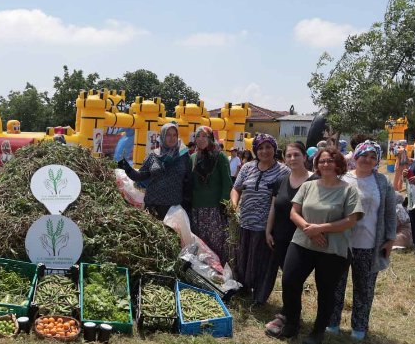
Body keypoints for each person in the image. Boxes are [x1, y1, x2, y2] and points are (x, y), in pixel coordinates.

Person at [271, 147, 363, 344]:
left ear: (338, 164)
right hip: (303, 241)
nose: (326, 164)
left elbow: (351, 220)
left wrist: (320, 228)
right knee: (289, 280)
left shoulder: (349, 190)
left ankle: (318, 331)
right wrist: (308, 228)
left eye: (330, 160)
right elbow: (293, 213)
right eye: (322, 161)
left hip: (333, 248)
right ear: (316, 164)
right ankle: (293, 323)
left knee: (326, 290)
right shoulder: (308, 186)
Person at [327, 141, 396, 341]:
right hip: (341, 242)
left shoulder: (382, 182)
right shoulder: (342, 179)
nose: (367, 160)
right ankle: (332, 322)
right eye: (363, 155)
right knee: (336, 284)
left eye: (372, 157)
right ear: (355, 157)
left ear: (377, 160)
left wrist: (390, 239)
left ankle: (359, 326)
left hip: (368, 244)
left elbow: (390, 213)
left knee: (364, 288)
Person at [230, 133, 289, 295]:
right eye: (260, 148)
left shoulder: (283, 171)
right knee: (243, 258)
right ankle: (242, 289)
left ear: (274, 149)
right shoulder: (248, 167)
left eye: (268, 147)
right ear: (255, 150)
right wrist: (234, 206)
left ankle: (260, 296)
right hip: (245, 222)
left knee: (263, 262)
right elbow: (236, 188)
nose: (264, 151)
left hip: (266, 226)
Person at [260, 141, 314, 307]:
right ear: (284, 159)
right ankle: (289, 312)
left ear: (305, 157)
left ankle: (290, 315)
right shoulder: (281, 181)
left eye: (296, 154)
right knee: (287, 277)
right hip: (280, 237)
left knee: (293, 278)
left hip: (303, 239)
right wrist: (268, 231)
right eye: (289, 155)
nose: (292, 158)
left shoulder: (315, 181)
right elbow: (273, 208)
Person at [118, 123, 193, 220]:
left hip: (174, 208)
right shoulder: (153, 155)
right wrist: (128, 169)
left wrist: (187, 203)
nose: (172, 138)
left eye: (174, 135)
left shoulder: (183, 155)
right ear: (162, 136)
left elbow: (188, 181)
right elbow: (141, 176)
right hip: (153, 206)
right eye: (168, 135)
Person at [189, 126, 232, 263]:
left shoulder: (220, 157)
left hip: (215, 210)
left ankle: (219, 274)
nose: (201, 139)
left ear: (211, 138)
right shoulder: (193, 158)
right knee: (200, 245)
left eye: (204, 136)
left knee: (217, 244)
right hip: (197, 209)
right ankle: (203, 274)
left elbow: (227, 183)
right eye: (198, 136)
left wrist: (223, 205)